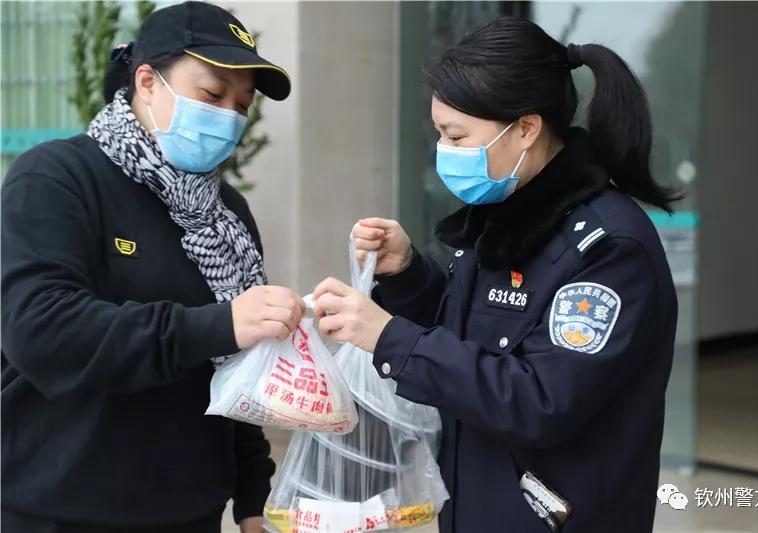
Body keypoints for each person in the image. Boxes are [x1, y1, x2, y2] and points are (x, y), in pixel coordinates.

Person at [312, 17, 680, 533]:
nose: (445, 151)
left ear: (526, 128)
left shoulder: (608, 248)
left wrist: (390, 338)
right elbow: (470, 341)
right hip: (477, 506)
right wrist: (408, 275)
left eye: (456, 135)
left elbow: (541, 399)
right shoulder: (505, 218)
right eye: (439, 134)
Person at [1, 2, 304, 532]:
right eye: (212, 95)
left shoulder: (225, 214)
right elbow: (40, 330)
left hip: (191, 512)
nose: (228, 117)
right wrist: (216, 324)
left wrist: (254, 498)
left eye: (242, 105)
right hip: (60, 509)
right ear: (146, 80)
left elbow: (238, 373)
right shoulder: (58, 178)